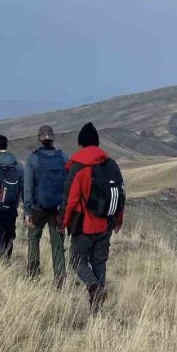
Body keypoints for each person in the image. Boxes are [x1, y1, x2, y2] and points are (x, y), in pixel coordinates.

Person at [60, 122, 125, 312]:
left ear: (81, 144)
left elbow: (70, 200)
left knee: (76, 261)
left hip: (84, 226)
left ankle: (94, 287)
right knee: (99, 263)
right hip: (106, 224)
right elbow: (121, 193)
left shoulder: (79, 167)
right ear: (97, 143)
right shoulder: (111, 164)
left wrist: (62, 223)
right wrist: (118, 221)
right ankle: (96, 309)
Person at [23, 125, 67, 284]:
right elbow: (68, 183)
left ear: (39, 139)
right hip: (57, 209)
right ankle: (60, 279)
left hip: (37, 208)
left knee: (33, 239)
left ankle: (33, 276)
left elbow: (27, 186)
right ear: (52, 138)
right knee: (57, 244)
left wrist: (27, 211)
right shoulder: (63, 157)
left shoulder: (33, 158)